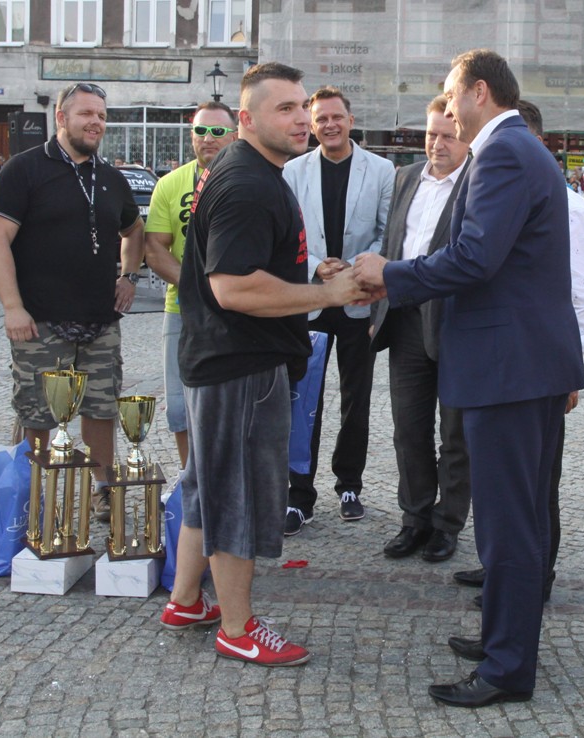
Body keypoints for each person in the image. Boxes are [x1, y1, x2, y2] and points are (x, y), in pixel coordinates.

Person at [353, 49, 584, 708]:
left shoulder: (504, 152)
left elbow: (475, 258)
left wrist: (390, 275)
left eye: (451, 95)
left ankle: (507, 667)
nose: (448, 109)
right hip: (519, 365)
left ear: (480, 91)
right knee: (517, 520)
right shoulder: (515, 149)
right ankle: (503, 639)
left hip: (509, 369)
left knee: (509, 525)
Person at [160, 62, 370, 665]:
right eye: (286, 109)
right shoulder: (248, 184)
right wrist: (326, 294)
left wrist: (313, 283)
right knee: (239, 495)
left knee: (206, 484)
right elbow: (232, 287)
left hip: (224, 360)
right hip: (240, 366)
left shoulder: (252, 172)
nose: (303, 119)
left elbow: (243, 275)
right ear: (247, 119)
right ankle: (238, 627)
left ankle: (185, 601)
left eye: (303, 106)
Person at [451, 97, 584, 608]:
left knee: (536, 490)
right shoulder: (516, 181)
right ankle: (506, 574)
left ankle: (532, 583)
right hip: (519, 358)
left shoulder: (568, 204)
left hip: (540, 363)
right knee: (514, 487)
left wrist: (571, 372)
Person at [0, 82, 143, 520]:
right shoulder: (24, 169)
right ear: (61, 117)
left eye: (102, 116)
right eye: (86, 114)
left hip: (100, 320)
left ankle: (102, 490)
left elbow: (134, 230)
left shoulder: (111, 177)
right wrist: (11, 307)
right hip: (39, 320)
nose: (96, 122)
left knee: (102, 408)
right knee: (37, 414)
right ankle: (33, 495)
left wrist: (129, 275)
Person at [282, 86, 394, 530]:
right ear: (312, 125)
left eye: (336, 117)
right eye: (321, 119)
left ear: (351, 120)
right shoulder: (293, 171)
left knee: (356, 399)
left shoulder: (381, 170)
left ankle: (350, 484)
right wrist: (315, 265)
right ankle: (298, 494)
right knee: (303, 399)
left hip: (358, 299)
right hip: (310, 298)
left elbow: (388, 232)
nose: (329, 125)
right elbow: (287, 232)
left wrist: (357, 267)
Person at [370, 95, 471, 563]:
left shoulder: (477, 182)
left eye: (448, 136)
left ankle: (447, 524)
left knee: (455, 434)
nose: (438, 144)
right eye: (431, 134)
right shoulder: (405, 177)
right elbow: (392, 244)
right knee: (408, 428)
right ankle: (414, 517)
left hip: (455, 324)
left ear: (465, 138)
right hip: (404, 318)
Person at [144, 102, 237, 469]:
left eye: (217, 131)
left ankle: (227, 480)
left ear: (235, 134)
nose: (207, 138)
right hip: (182, 310)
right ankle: (190, 479)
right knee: (181, 407)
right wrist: (196, 286)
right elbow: (155, 248)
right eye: (200, 131)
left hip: (238, 311)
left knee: (231, 404)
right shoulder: (170, 184)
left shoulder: (248, 178)